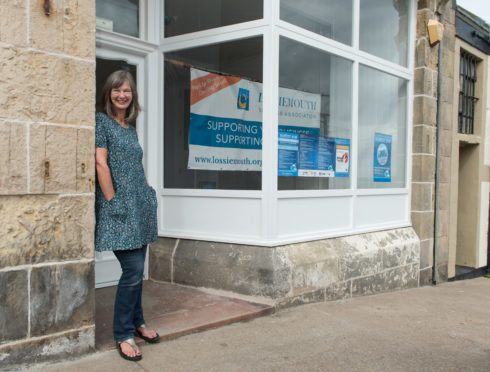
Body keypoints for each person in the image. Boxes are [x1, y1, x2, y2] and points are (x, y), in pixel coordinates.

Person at [95, 70, 159, 362]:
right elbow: (101, 163)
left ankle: (138, 321)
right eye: (116, 90)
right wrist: (112, 200)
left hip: (140, 206)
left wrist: (147, 190)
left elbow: (134, 164)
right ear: (108, 93)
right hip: (120, 206)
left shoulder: (129, 126)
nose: (122, 95)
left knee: (137, 270)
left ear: (133, 95)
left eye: (127, 91)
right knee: (132, 269)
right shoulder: (101, 121)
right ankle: (123, 334)